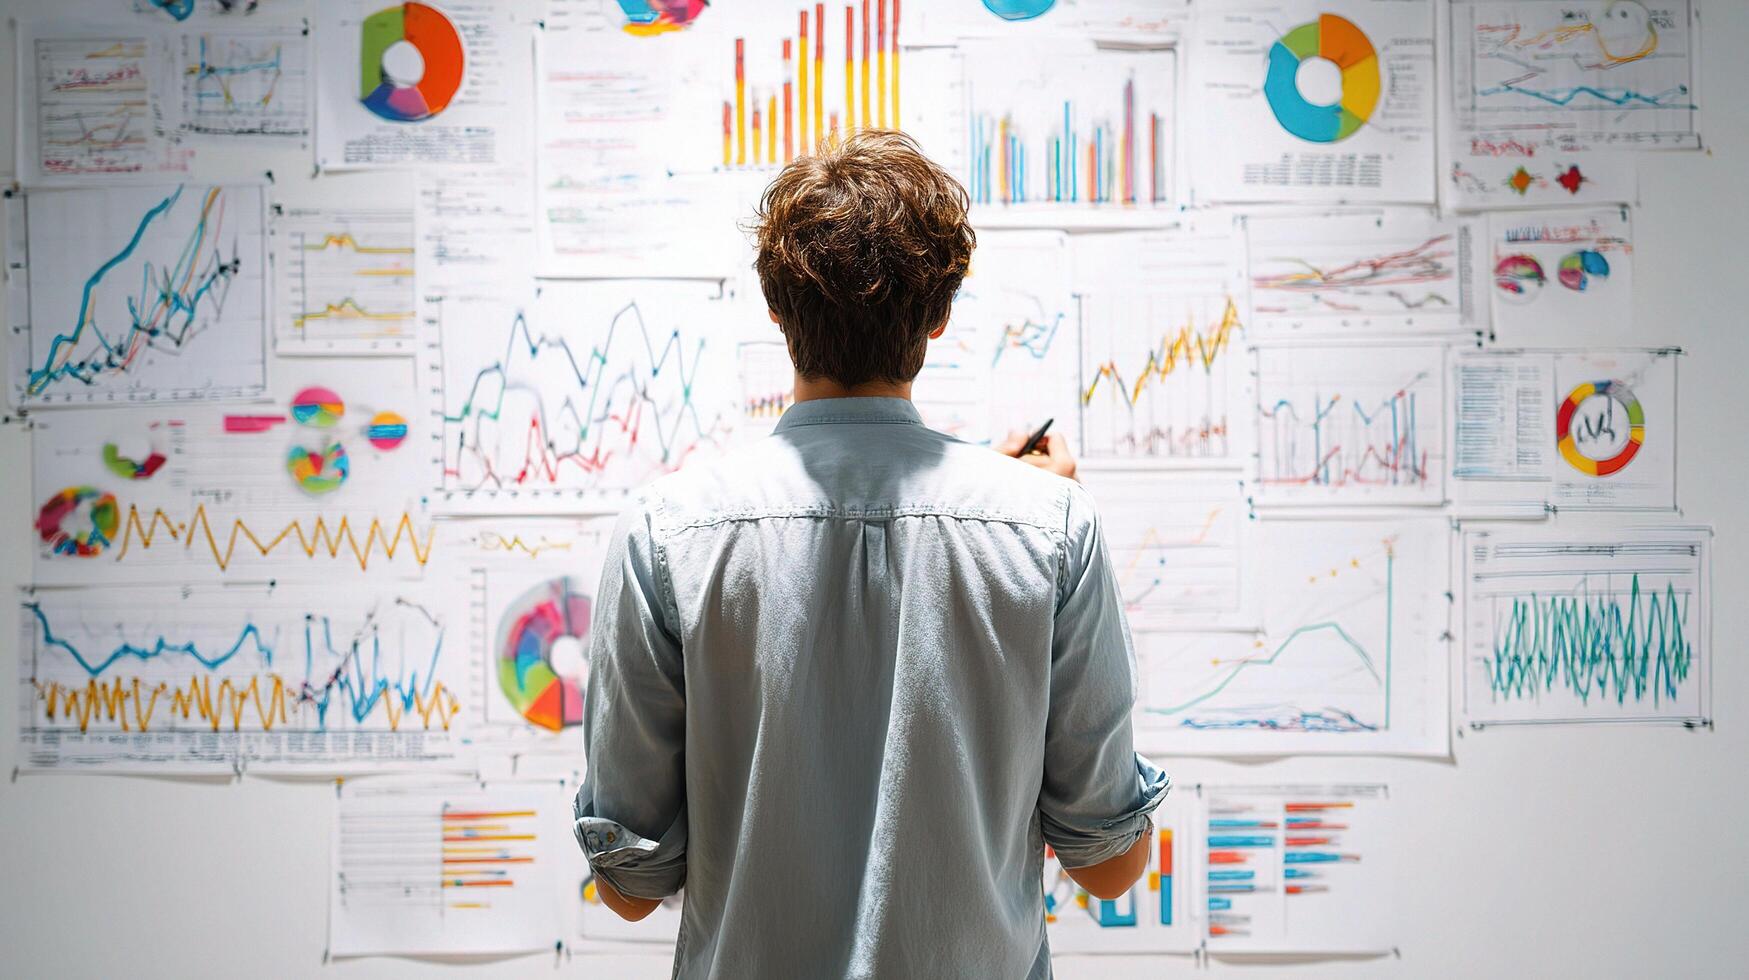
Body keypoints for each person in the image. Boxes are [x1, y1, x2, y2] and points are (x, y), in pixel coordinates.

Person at [573, 130, 1168, 979]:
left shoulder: (665, 532)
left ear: (776, 311)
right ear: (937, 315)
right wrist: (1017, 520)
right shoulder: (1051, 527)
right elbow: (1108, 867)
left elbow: (632, 886)